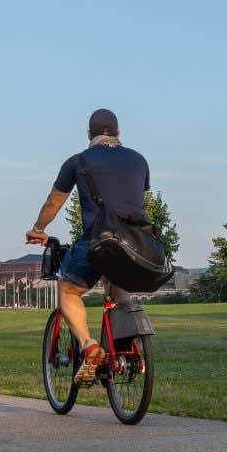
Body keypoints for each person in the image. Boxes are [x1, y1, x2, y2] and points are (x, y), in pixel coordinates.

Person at [26, 109, 149, 385]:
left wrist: (38, 229)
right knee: (119, 292)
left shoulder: (77, 161)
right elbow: (134, 202)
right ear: (119, 134)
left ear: (88, 135)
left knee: (68, 290)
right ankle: (128, 354)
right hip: (136, 242)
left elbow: (53, 203)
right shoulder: (139, 160)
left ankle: (89, 345)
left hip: (98, 239)